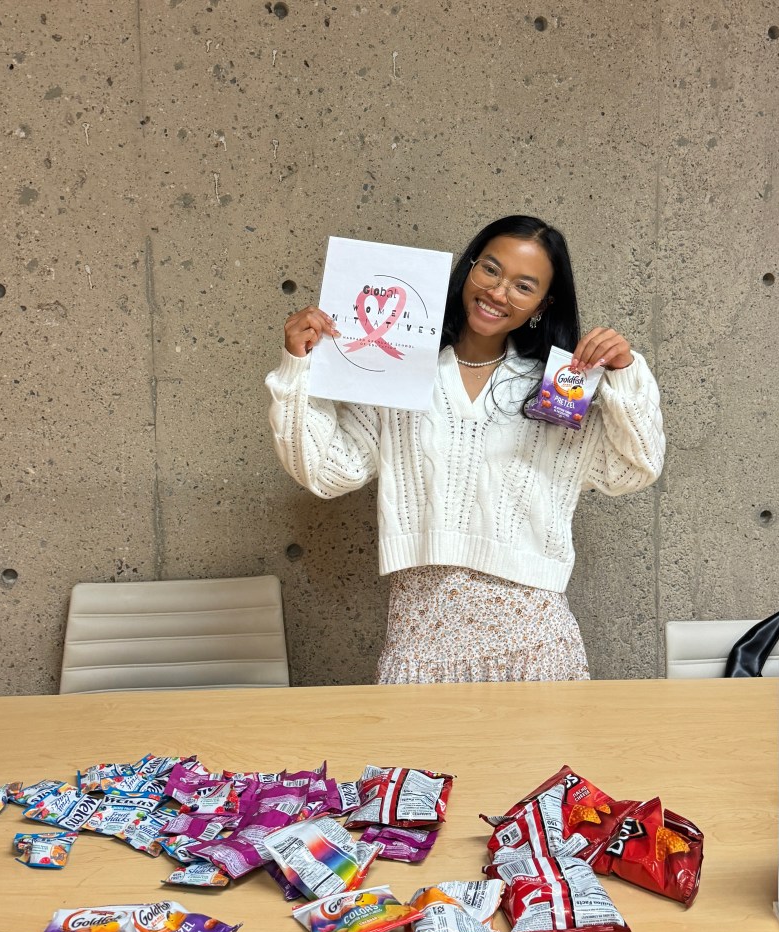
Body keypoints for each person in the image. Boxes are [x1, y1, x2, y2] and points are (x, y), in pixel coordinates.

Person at [266, 215, 665, 684]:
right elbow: (327, 471)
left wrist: (625, 373)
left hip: (535, 649)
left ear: (542, 304)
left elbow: (633, 469)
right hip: (420, 644)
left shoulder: (559, 385)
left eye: (523, 286)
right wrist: (298, 368)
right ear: (469, 268)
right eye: (491, 269)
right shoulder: (401, 375)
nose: (498, 292)